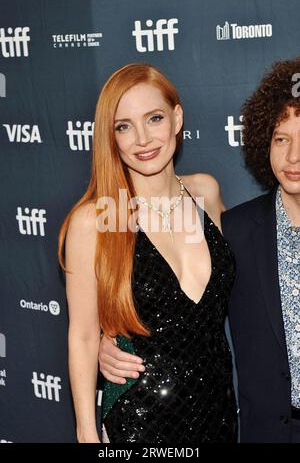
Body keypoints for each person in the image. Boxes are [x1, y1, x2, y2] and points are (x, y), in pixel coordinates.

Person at [99, 57, 300, 443]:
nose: (293, 156)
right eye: (281, 138)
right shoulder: (237, 230)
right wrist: (110, 342)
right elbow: (171, 289)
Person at [58, 63, 238, 443]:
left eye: (154, 118)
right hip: (139, 422)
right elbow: (84, 337)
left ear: (177, 118)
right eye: (123, 126)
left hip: (217, 414)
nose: (142, 139)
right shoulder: (97, 219)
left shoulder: (206, 193)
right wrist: (87, 433)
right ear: (111, 137)